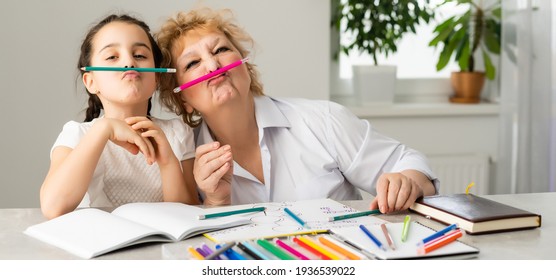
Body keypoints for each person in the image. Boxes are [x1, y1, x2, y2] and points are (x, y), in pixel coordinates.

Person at [156, 8, 438, 213]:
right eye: (192, 64)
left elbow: (409, 163)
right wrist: (215, 201)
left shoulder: (323, 120)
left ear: (245, 65)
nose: (213, 65)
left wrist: (408, 181)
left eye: (220, 50)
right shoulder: (184, 161)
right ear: (183, 101)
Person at [40, 14, 199, 220]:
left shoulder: (178, 132)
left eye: (140, 55)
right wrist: (103, 129)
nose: (129, 62)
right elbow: (53, 207)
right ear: (90, 82)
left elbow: (189, 216)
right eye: (112, 57)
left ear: (156, 77)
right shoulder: (76, 135)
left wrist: (168, 163)